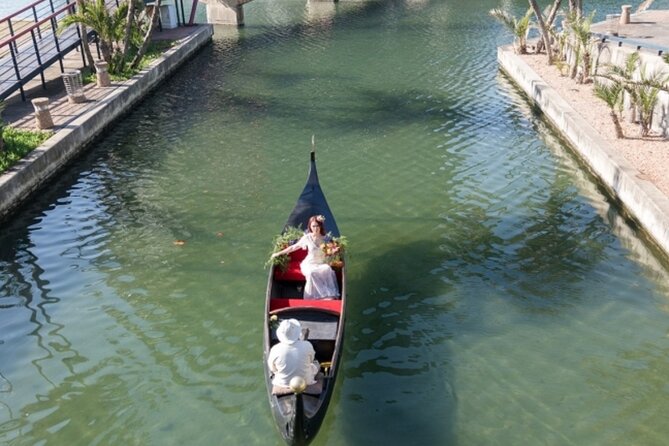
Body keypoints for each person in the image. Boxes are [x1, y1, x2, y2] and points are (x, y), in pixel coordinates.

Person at [271, 215, 340, 300]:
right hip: (309, 264)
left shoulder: (326, 238)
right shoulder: (307, 237)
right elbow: (294, 247)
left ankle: (327, 295)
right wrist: (278, 253)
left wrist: (334, 251)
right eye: (313, 226)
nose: (315, 228)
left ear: (320, 226)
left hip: (321, 263)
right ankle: (314, 297)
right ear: (310, 227)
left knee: (327, 269)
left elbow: (332, 251)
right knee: (312, 273)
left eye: (317, 226)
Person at [267, 319, 319, 387]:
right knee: (316, 363)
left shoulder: (275, 349)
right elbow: (311, 360)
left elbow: (272, 368)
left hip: (282, 383)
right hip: (307, 381)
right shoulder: (307, 345)